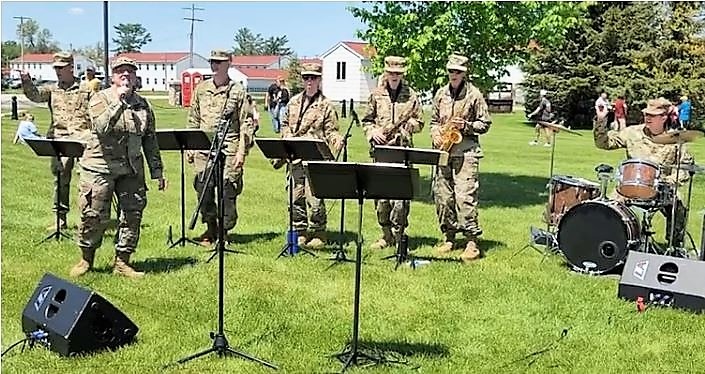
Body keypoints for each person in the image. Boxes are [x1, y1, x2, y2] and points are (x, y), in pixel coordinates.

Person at [70, 56, 167, 278]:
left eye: (130, 72)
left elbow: (150, 140)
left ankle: (122, 262)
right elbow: (101, 128)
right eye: (121, 71)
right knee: (92, 215)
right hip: (99, 168)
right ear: (113, 77)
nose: (126, 75)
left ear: (135, 77)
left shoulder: (143, 105)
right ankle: (86, 259)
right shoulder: (99, 98)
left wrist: (157, 171)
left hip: (131, 169)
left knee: (132, 214)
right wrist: (119, 102)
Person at [593, 97, 693, 249]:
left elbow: (686, 168)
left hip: (661, 188)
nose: (648, 118)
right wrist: (601, 120)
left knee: (679, 206)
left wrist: (670, 181)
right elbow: (603, 143)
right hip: (630, 185)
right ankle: (609, 244)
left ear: (664, 117)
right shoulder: (632, 132)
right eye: (646, 114)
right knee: (611, 208)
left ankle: (674, 247)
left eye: (652, 115)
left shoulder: (675, 139)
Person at [186, 50, 253, 246]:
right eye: (212, 62)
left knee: (228, 188)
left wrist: (242, 151)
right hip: (203, 147)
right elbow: (193, 118)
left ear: (228, 64)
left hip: (229, 146)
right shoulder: (201, 88)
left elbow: (246, 124)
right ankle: (210, 228)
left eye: (219, 62)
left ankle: (224, 231)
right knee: (203, 187)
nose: (214, 65)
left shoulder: (237, 91)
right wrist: (191, 145)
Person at [430, 54, 492, 262]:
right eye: (451, 71)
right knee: (443, 197)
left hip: (466, 153)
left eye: (458, 71)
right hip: (444, 152)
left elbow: (485, 123)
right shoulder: (440, 94)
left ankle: (472, 241)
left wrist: (467, 126)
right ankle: (449, 237)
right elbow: (433, 121)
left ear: (464, 73)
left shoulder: (474, 95)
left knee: (464, 196)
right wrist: (436, 134)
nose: (453, 75)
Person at [21, 52, 93, 230]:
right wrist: (26, 81)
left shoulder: (86, 89)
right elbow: (35, 96)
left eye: (61, 68)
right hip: (59, 139)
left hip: (83, 139)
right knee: (61, 180)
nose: (58, 72)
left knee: (87, 180)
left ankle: (88, 218)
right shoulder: (52, 89)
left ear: (71, 67)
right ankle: (60, 219)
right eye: (56, 68)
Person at [361, 56, 423, 250]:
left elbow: (420, 122)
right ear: (386, 73)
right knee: (381, 199)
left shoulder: (411, 96)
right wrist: (373, 132)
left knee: (401, 200)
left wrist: (407, 126)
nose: (395, 76)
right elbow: (366, 120)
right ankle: (386, 234)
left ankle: (399, 236)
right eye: (391, 72)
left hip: (402, 153)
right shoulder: (376, 94)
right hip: (381, 153)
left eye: (398, 73)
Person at [280, 62, 343, 248]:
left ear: (319, 80)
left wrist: (337, 140)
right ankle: (300, 231)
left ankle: (318, 232)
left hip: (315, 158)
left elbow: (332, 130)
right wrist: (286, 136)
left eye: (313, 78)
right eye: (306, 77)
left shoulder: (326, 105)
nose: (309, 81)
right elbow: (284, 125)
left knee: (314, 198)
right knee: (295, 197)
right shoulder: (293, 103)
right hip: (295, 158)